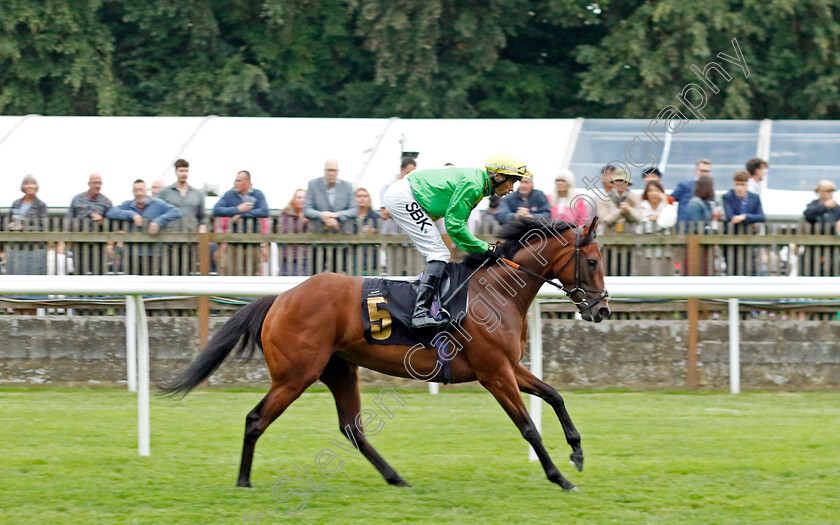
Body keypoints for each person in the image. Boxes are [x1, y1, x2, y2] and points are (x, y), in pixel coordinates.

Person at [383, 152, 526, 328]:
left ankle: (427, 304)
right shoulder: (474, 185)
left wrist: (483, 248)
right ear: (497, 176)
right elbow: (455, 227)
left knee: (436, 252)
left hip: (406, 194)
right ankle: (419, 313)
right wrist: (486, 249)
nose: (511, 188)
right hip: (404, 196)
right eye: (511, 182)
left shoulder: (479, 183)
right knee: (438, 253)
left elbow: (453, 223)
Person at [106, 179, 181, 234]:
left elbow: (176, 211)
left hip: (153, 251)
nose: (139, 193)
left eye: (141, 190)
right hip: (131, 252)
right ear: (132, 192)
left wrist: (158, 221)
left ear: (146, 190)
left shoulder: (158, 203)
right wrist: (132, 215)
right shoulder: (127, 205)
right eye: (136, 190)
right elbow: (111, 212)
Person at [303, 159, 358, 233]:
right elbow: (307, 210)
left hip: (342, 235)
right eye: (328, 170)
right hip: (318, 235)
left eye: (334, 170)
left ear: (338, 171)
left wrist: (336, 215)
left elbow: (354, 210)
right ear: (324, 171)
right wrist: (322, 215)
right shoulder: (313, 185)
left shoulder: (347, 186)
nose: (331, 173)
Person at [157, 159, 207, 232]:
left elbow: (202, 216)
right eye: (181, 171)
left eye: (186, 171)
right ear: (176, 172)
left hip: (191, 236)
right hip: (170, 236)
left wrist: (202, 229)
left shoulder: (197, 194)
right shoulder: (164, 193)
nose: (184, 174)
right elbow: (157, 211)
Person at [595, 166, 642, 232]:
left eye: (623, 181)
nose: (620, 184)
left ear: (628, 184)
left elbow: (639, 218)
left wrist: (629, 210)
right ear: (613, 183)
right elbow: (604, 220)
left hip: (630, 236)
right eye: (617, 181)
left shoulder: (635, 197)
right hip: (609, 236)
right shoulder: (604, 198)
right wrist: (620, 212)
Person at [379, 157, 417, 228]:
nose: (410, 176)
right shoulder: (388, 187)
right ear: (402, 170)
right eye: (408, 173)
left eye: (413, 174)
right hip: (390, 232)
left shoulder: (414, 188)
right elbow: (384, 214)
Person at [278, 189, 308, 276]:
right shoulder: (286, 214)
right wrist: (302, 221)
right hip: (288, 256)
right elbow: (285, 230)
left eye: (304, 198)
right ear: (294, 200)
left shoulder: (310, 215)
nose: (302, 200)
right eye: (299, 197)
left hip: (305, 256)